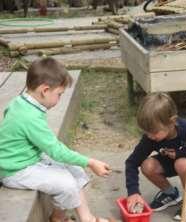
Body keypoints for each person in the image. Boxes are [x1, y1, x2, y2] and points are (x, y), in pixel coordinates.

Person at [0, 58, 114, 222]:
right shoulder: (29, 117)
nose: (59, 99)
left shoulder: (21, 101)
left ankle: (87, 218)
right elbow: (56, 151)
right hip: (15, 170)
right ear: (45, 90)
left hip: (28, 158)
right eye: (59, 94)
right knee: (66, 184)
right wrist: (90, 162)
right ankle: (58, 218)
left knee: (75, 170)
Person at [125, 93, 186, 220]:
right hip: (172, 162)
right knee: (147, 165)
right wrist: (133, 192)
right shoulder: (150, 138)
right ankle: (171, 194)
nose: (150, 136)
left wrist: (180, 154)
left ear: (172, 121)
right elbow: (131, 162)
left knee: (181, 164)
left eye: (154, 132)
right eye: (147, 132)